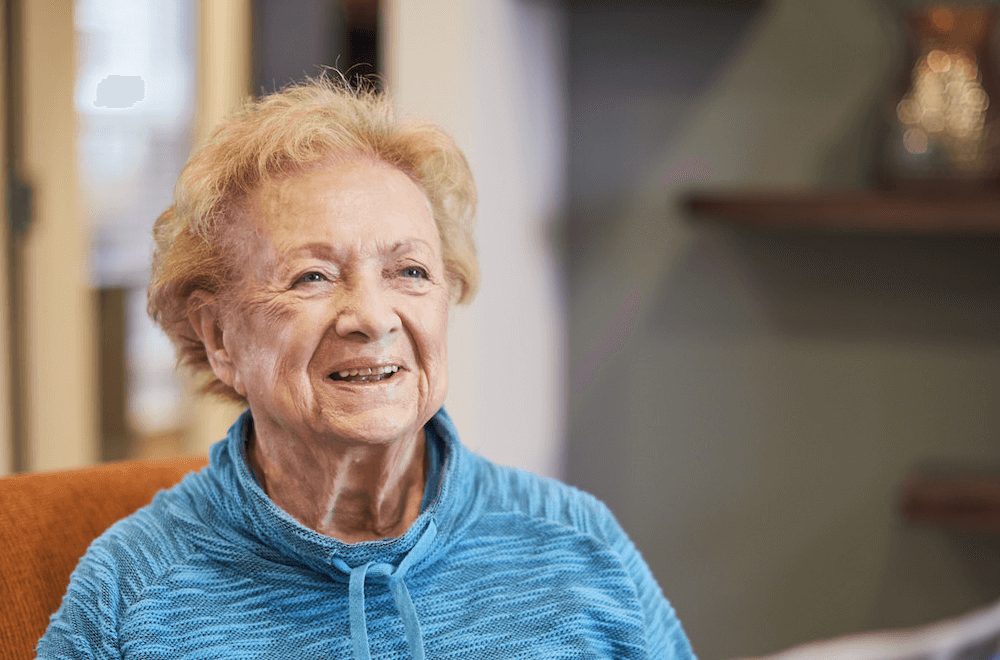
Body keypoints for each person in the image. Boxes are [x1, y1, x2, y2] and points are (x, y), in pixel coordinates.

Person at [36, 78, 696, 660]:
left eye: (409, 271)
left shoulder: (579, 547)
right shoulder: (132, 592)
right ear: (219, 338)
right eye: (313, 276)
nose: (372, 317)